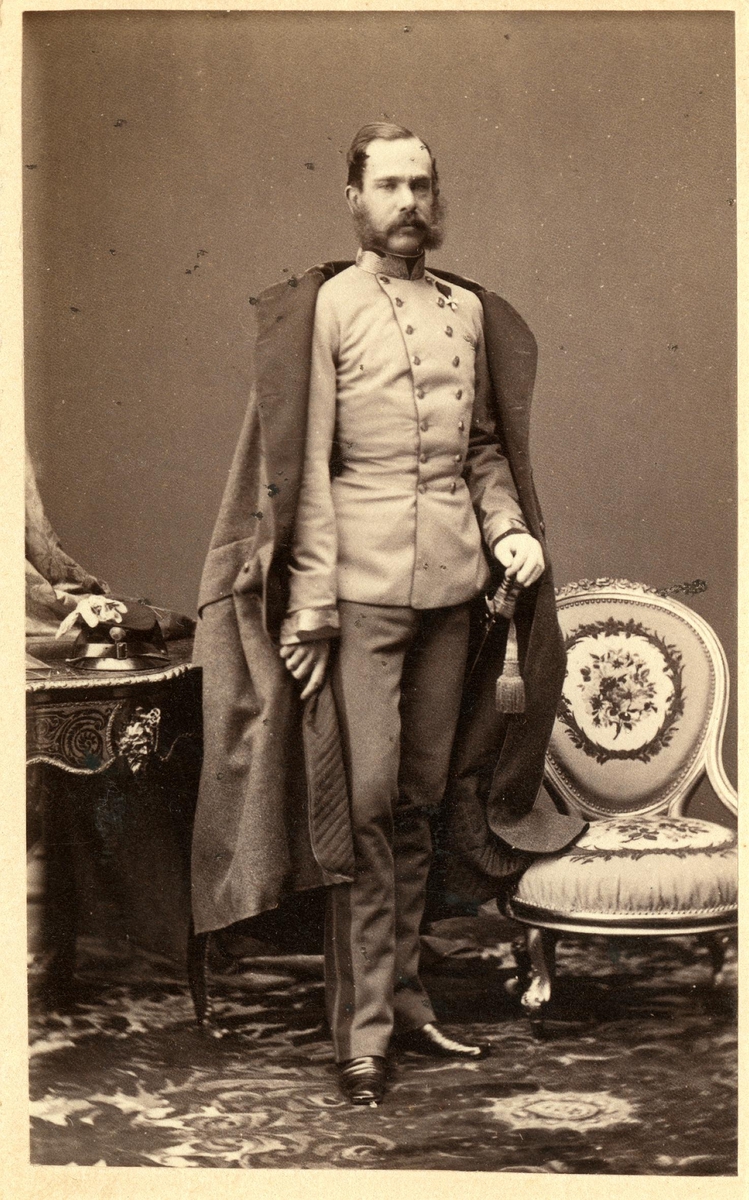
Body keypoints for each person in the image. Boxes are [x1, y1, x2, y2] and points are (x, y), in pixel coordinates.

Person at [190, 122, 585, 1106]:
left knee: (418, 802)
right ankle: (359, 1033)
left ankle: (406, 1003)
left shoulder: (464, 310)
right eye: (389, 185)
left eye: (421, 185)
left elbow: (482, 449)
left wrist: (506, 530)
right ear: (353, 199)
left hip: (452, 593)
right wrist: (310, 609)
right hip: (356, 594)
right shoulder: (328, 307)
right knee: (362, 806)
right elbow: (307, 466)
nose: (408, 202)